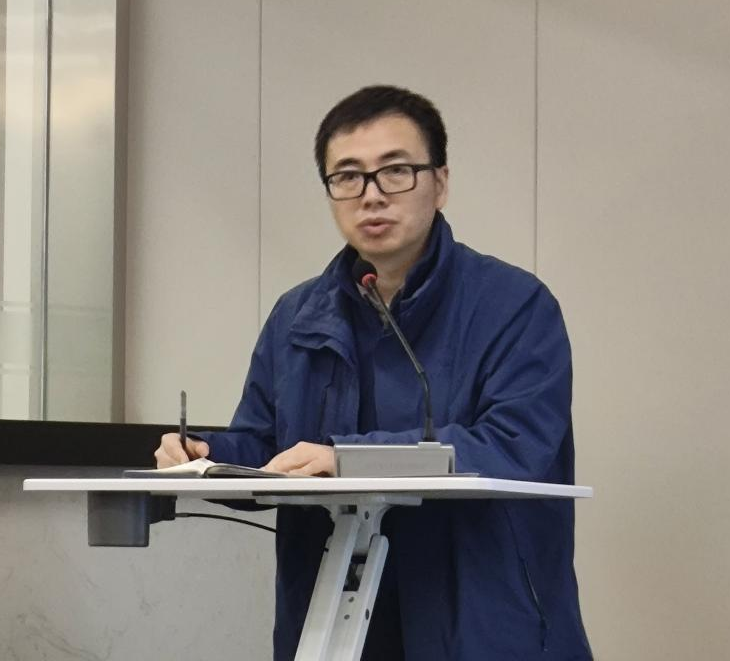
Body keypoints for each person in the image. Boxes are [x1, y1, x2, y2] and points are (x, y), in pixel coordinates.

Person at [155, 85, 591, 660]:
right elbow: (269, 448)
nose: (371, 195)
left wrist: (346, 458)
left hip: (480, 618)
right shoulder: (296, 316)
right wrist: (206, 455)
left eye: (396, 172)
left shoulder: (515, 305)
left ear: (440, 182)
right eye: (348, 177)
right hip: (338, 621)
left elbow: (513, 445)